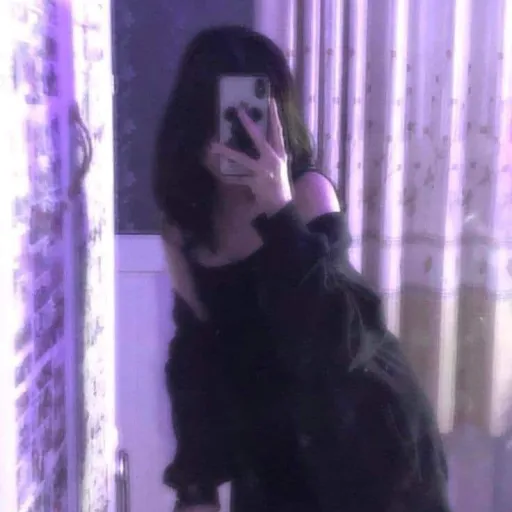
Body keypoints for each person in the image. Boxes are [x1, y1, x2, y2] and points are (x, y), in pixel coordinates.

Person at [153, 25, 452, 512]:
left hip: (367, 446)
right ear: (193, 120)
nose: (236, 132)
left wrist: (279, 212)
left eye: (252, 114)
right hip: (272, 459)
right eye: (223, 116)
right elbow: (196, 356)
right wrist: (196, 486)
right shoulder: (185, 226)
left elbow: (336, 345)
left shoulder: (309, 195)